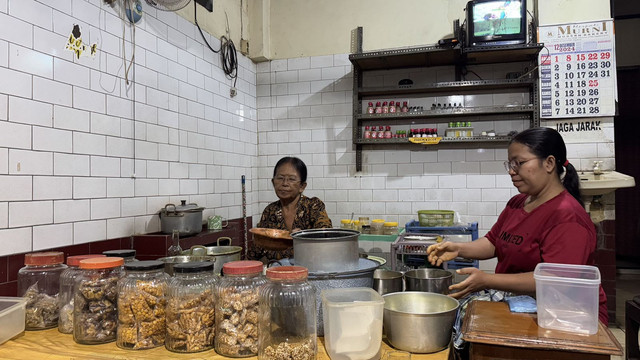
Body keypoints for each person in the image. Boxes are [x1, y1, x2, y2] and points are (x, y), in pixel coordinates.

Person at [427, 127, 608, 324]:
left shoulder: (567, 217)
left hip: (565, 317)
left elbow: (554, 281)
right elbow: (493, 242)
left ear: (549, 163)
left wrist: (486, 280)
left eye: (519, 163)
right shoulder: (518, 203)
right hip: (521, 305)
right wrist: (458, 248)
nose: (512, 171)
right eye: (510, 164)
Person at [248, 156, 332, 261]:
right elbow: (258, 247)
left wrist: (303, 236)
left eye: (291, 179)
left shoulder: (313, 206)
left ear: (302, 186)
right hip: (277, 271)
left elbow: (326, 234)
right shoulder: (270, 211)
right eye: (280, 178)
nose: (285, 184)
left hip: (310, 268)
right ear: (273, 182)